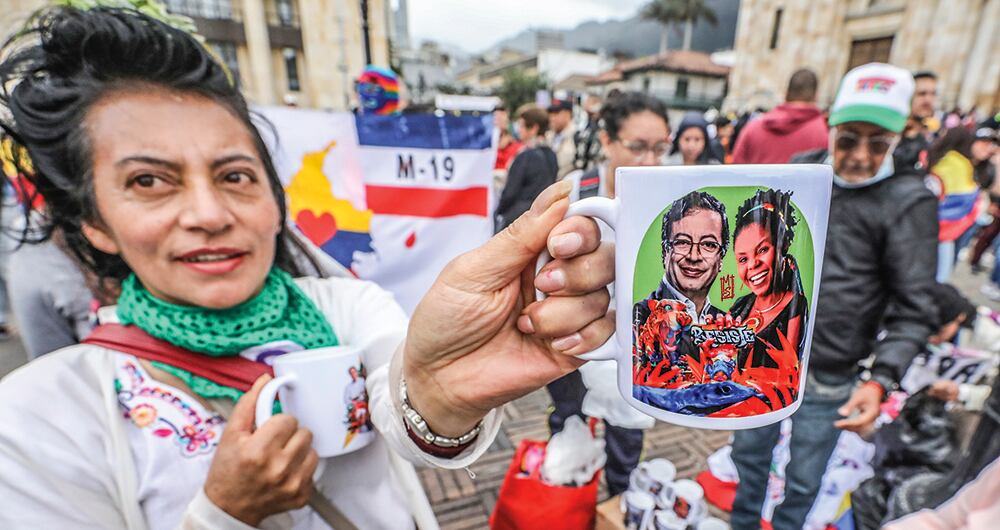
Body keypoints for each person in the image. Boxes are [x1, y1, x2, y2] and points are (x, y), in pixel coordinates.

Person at [0, 8, 615, 528]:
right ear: (95, 221)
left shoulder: (345, 305)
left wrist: (440, 395)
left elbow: (403, 393)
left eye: (235, 175)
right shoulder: (36, 419)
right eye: (149, 181)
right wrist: (222, 513)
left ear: (275, 202)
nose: (209, 213)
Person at [730, 63, 939, 530]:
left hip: (830, 368)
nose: (860, 156)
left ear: (898, 137)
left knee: (805, 477)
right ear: (830, 127)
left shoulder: (908, 200)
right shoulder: (801, 173)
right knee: (749, 455)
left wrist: (880, 379)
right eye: (847, 140)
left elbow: (915, 307)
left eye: (878, 143)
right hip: (763, 354)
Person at [548, 91, 672, 496]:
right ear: (607, 141)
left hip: (634, 345)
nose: (649, 161)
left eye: (660, 149)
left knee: (626, 439)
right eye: (637, 147)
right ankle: (566, 501)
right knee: (568, 425)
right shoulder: (575, 192)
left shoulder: (670, 197)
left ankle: (618, 503)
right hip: (573, 341)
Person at [728, 189, 809, 369]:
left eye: (763, 250)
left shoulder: (795, 305)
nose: (752, 264)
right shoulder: (739, 306)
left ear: (782, 246)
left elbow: (791, 369)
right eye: (743, 259)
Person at [928, 125, 998, 282]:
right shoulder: (955, 161)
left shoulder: (983, 168)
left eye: (991, 144)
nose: (987, 147)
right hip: (940, 227)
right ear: (973, 141)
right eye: (983, 142)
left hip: (961, 227)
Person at [731, 68, 828, 164]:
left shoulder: (753, 128)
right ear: (816, 96)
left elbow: (736, 168)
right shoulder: (824, 133)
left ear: (786, 93)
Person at [494, 103, 558, 231]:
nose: (519, 130)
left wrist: (498, 211)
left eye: (521, 126)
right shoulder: (552, 154)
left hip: (519, 220)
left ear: (533, 128)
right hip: (543, 218)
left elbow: (510, 193)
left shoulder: (525, 156)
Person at [894, 71, 938, 173]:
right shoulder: (893, 133)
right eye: (922, 94)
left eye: (933, 94)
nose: (928, 100)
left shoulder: (929, 135)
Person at [546, 99, 576, 178]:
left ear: (568, 114)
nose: (552, 118)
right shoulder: (547, 136)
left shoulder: (578, 136)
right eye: (550, 114)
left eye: (556, 114)